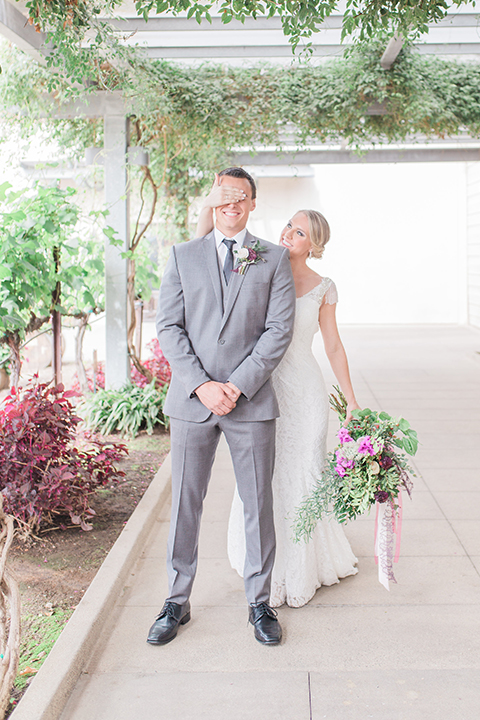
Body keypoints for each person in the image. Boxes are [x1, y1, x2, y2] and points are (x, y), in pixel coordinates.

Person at [149, 167, 296, 647]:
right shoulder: (182, 255)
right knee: (185, 505)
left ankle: (259, 603)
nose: (232, 203)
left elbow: (279, 331)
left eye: (242, 196)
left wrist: (234, 385)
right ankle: (176, 600)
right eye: (224, 195)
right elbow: (169, 327)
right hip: (193, 402)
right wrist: (201, 385)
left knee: (257, 504)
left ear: (253, 204)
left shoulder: (273, 259)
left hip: (250, 402)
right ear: (213, 201)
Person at [196, 180, 359, 608]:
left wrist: (353, 402)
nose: (289, 233)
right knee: (262, 473)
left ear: (314, 244)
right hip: (260, 385)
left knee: (303, 469)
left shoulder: (324, 287)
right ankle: (258, 558)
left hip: (304, 392)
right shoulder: (260, 261)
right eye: (289, 224)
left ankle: (303, 565)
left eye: (300, 231)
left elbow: (334, 347)